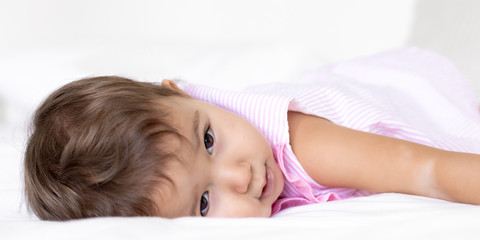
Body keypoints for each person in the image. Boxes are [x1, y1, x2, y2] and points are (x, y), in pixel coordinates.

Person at [24, 47, 480, 220]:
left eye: (208, 140)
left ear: (181, 92)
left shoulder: (305, 146)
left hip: (407, 89)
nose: (240, 177)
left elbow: (428, 170)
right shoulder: (204, 129)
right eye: (203, 203)